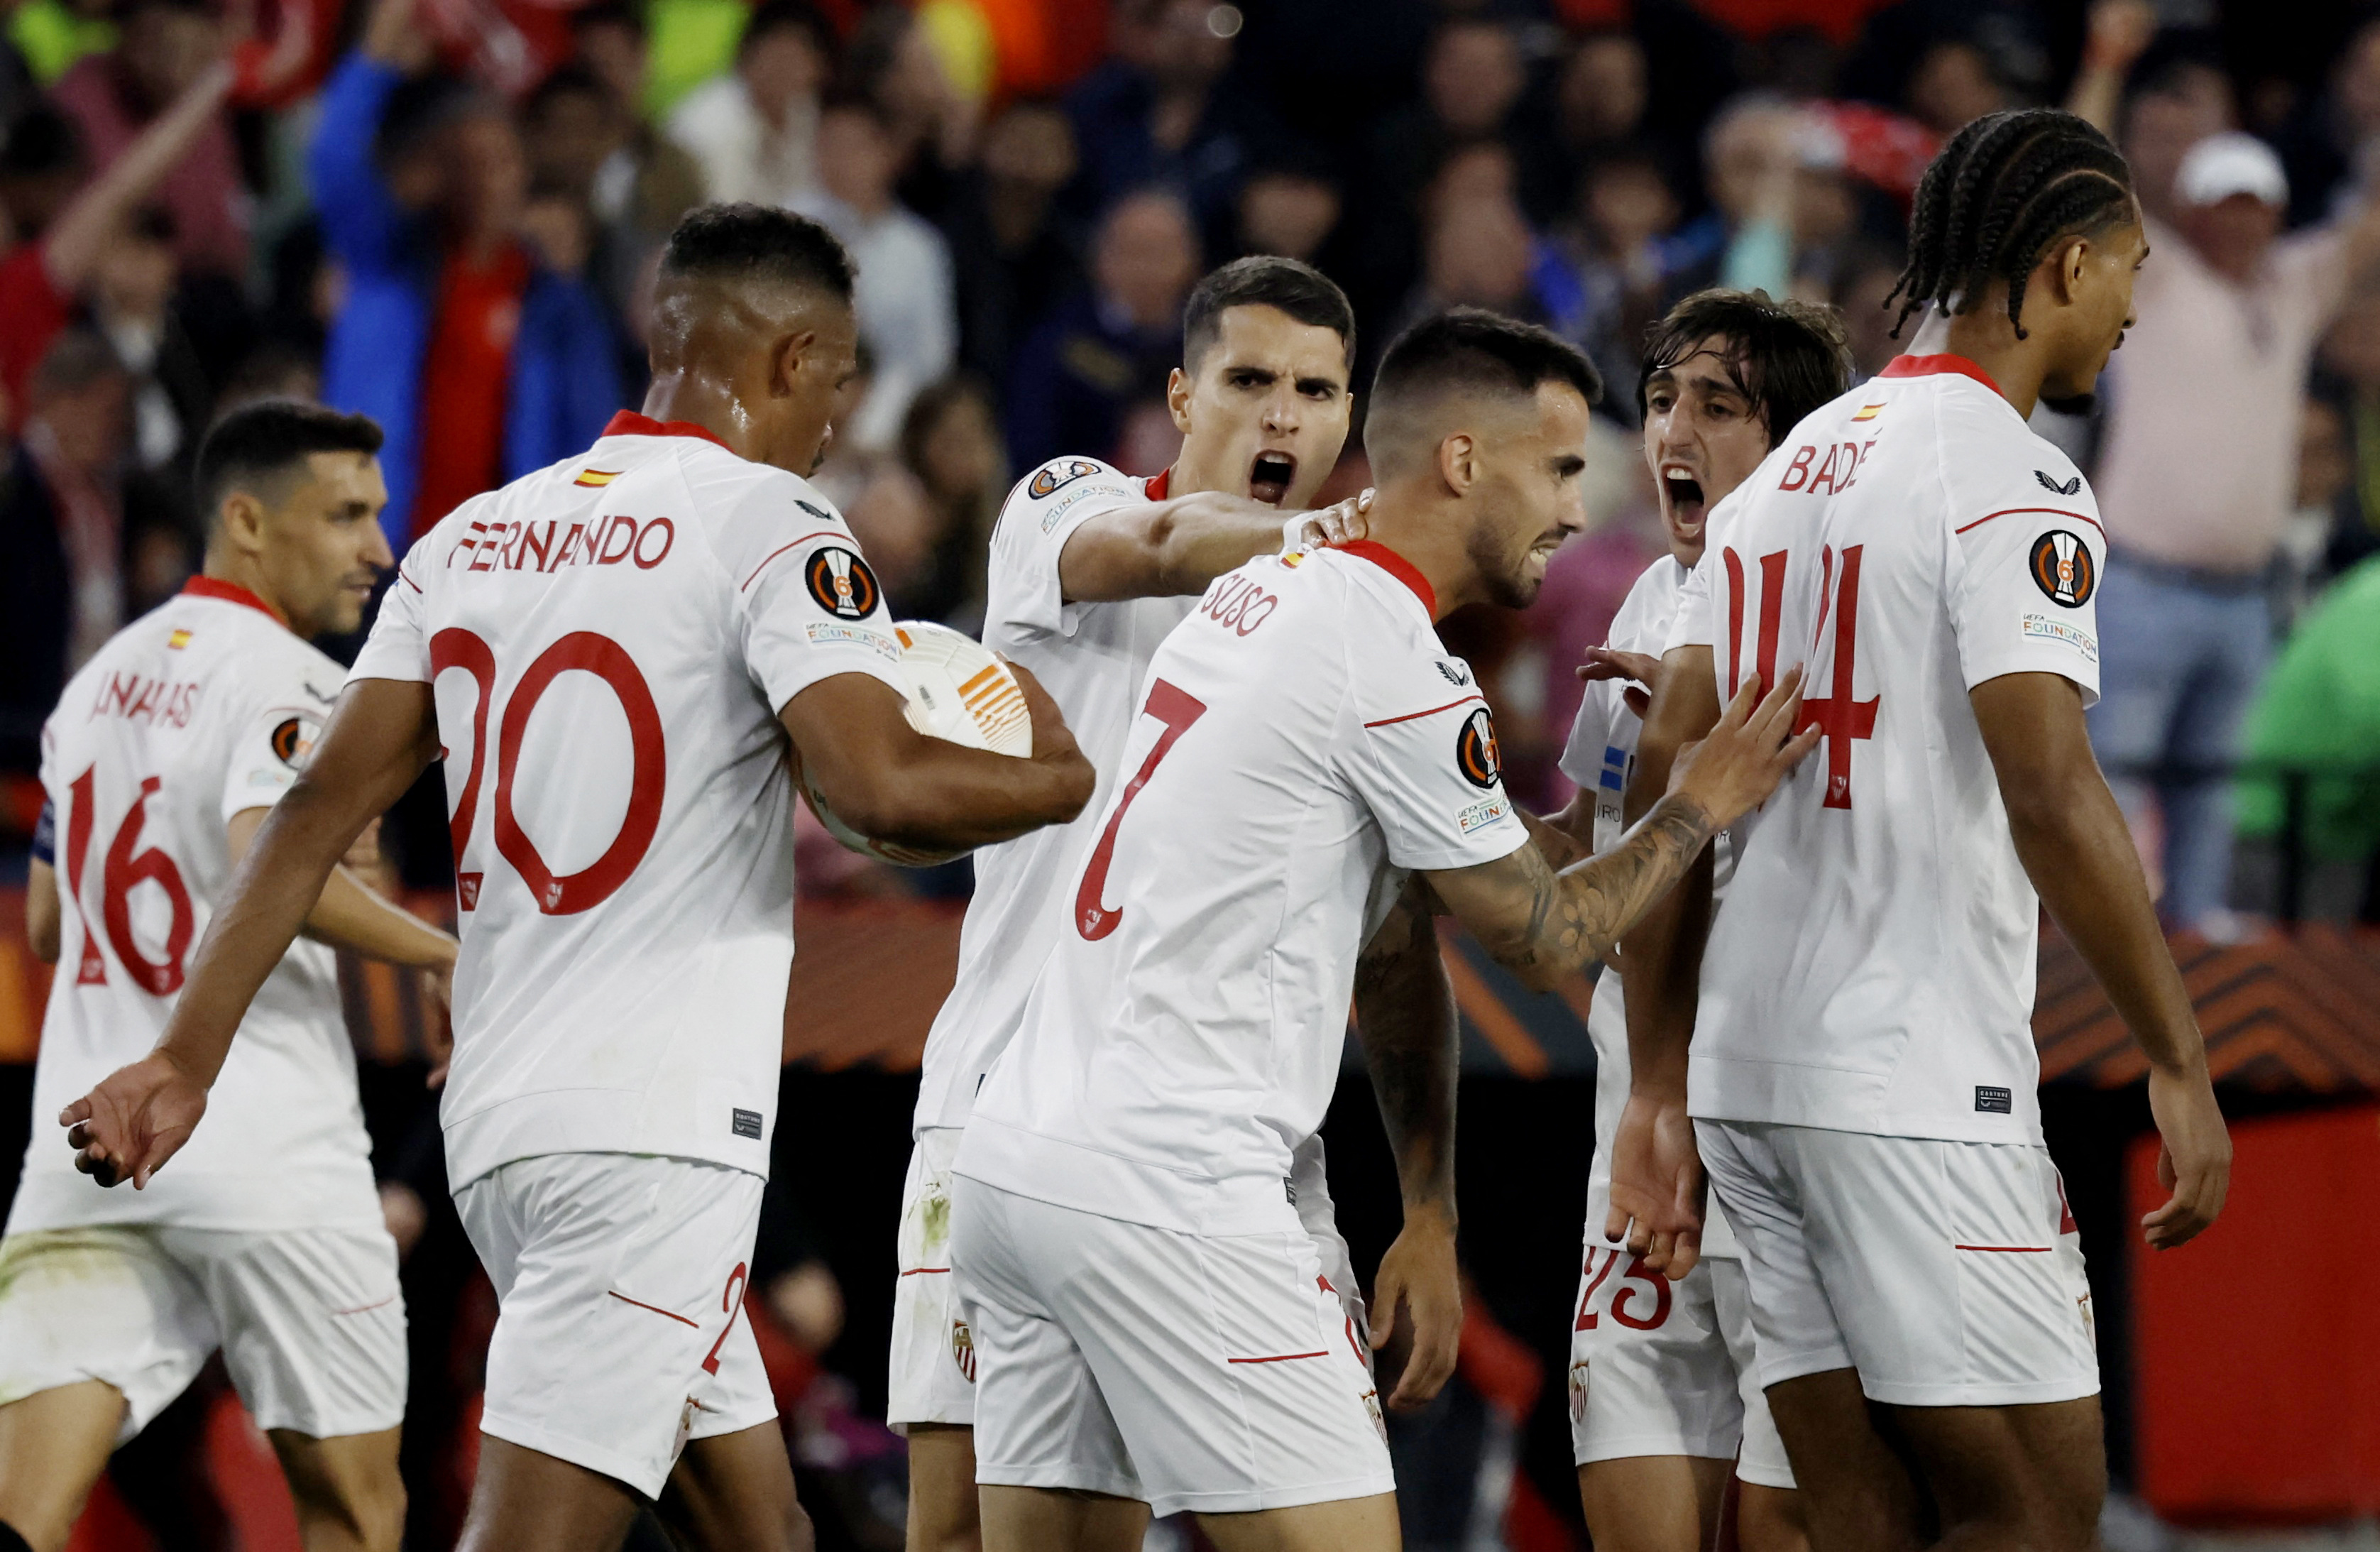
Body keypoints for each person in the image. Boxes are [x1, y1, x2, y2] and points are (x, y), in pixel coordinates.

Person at [56, 202, 1097, 1552]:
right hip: (650, 1133)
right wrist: (1064, 779)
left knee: (766, 1528)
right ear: (792, 359)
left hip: (504, 1122)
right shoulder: (772, 521)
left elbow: (309, 815)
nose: (835, 419)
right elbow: (876, 788)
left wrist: (182, 1057)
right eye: (837, 381)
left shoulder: (472, 537)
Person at [948, 307, 1817, 1552]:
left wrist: (1429, 1212)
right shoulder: (1388, 653)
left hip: (1019, 1164)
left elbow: (1399, 935)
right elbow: (1545, 936)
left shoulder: (1259, 595)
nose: (1575, 512)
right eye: (1557, 470)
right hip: (1175, 1184)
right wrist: (1697, 801)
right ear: (1463, 461)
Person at [1606, 109, 2232, 1550]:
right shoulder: (2013, 478)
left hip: (1750, 1078)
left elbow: (1660, 776)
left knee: (1860, 1519)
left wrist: (1660, 1075)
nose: (2131, 311)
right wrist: (2174, 1056)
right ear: (2063, 265)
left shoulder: (1784, 472)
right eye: (2128, 270)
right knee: (2033, 1513)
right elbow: (2049, 790)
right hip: (1911, 1084)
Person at [892, 256, 1400, 1552]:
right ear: (1180, 396)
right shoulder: (1066, 503)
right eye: (1249, 380)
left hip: (1218, 1140)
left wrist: (1433, 1210)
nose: (1281, 415)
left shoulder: (1357, 629)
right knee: (961, 1530)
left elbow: (1394, 931)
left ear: (1349, 415)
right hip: (1003, 1096)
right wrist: (1343, 538)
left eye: (1315, 391)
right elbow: (1165, 544)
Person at [0, 400, 459, 1552]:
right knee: (354, 1511)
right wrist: (445, 952)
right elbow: (276, 859)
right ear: (247, 521)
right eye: (346, 515)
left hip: (93, 1149)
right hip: (264, 1151)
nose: (378, 548)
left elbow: (50, 923)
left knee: (20, 1515)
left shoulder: (96, 682)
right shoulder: (294, 682)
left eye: (379, 514)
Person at [1545, 288, 1851, 1552]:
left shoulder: (1830, 615)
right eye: (1662, 400)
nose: (1674, 430)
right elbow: (1581, 844)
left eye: (1717, 406)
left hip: (1775, 1119)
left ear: (1795, 446)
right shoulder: (1641, 607)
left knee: (1788, 1522)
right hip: (1635, 1116)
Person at [2088, 129, 2380, 935]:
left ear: (2276, 213)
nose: (2239, 221)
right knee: (2115, 776)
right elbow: (2089, 185)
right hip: (2141, 584)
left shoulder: (2294, 287)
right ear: (2191, 210)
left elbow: (2370, 218)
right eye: (2223, 204)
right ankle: (2102, 943)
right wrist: (2104, 73)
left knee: (2217, 786)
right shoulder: (2153, 276)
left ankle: (2196, 938)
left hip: (2243, 596)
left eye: (2253, 205)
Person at [311, 0, 625, 547]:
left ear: (523, 173)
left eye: (498, 160)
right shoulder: (386, 267)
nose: (484, 179)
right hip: (376, 554)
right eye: (466, 161)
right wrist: (377, 51)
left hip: (500, 566)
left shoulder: (557, 306)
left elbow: (595, 445)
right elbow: (334, 156)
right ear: (439, 176)